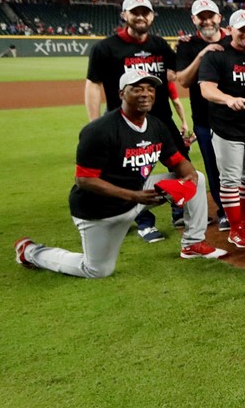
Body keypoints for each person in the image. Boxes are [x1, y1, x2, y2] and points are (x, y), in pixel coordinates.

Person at [15, 70, 226, 277]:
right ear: (121, 94)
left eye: (150, 88)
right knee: (97, 270)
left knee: (197, 178)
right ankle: (31, 252)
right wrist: (134, 196)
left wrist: (188, 177)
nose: (145, 93)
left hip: (138, 195)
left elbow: (178, 162)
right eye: (136, 89)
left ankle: (192, 244)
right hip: (99, 209)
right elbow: (84, 180)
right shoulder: (100, 130)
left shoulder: (156, 126)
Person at [84, 0, 187, 243]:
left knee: (181, 163)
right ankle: (143, 222)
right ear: (124, 15)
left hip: (161, 119)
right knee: (132, 173)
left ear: (152, 16)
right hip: (124, 122)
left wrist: (191, 46)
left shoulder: (160, 45)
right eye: (134, 12)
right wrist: (95, 122)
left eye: (145, 12)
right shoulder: (106, 48)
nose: (140, 16)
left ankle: (179, 210)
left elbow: (176, 76)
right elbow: (93, 84)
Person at [198, 10, 245, 248]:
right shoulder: (217, 55)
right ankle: (235, 228)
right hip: (227, 128)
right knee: (230, 180)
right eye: (242, 30)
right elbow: (206, 89)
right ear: (230, 30)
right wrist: (227, 99)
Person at [174, 0, 226, 226]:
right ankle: (224, 211)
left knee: (241, 166)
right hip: (204, 119)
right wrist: (202, 54)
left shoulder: (233, 38)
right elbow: (183, 80)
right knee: (213, 166)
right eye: (201, 17)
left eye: (210, 15)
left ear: (219, 17)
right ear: (194, 19)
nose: (207, 21)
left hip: (234, 118)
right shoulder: (187, 45)